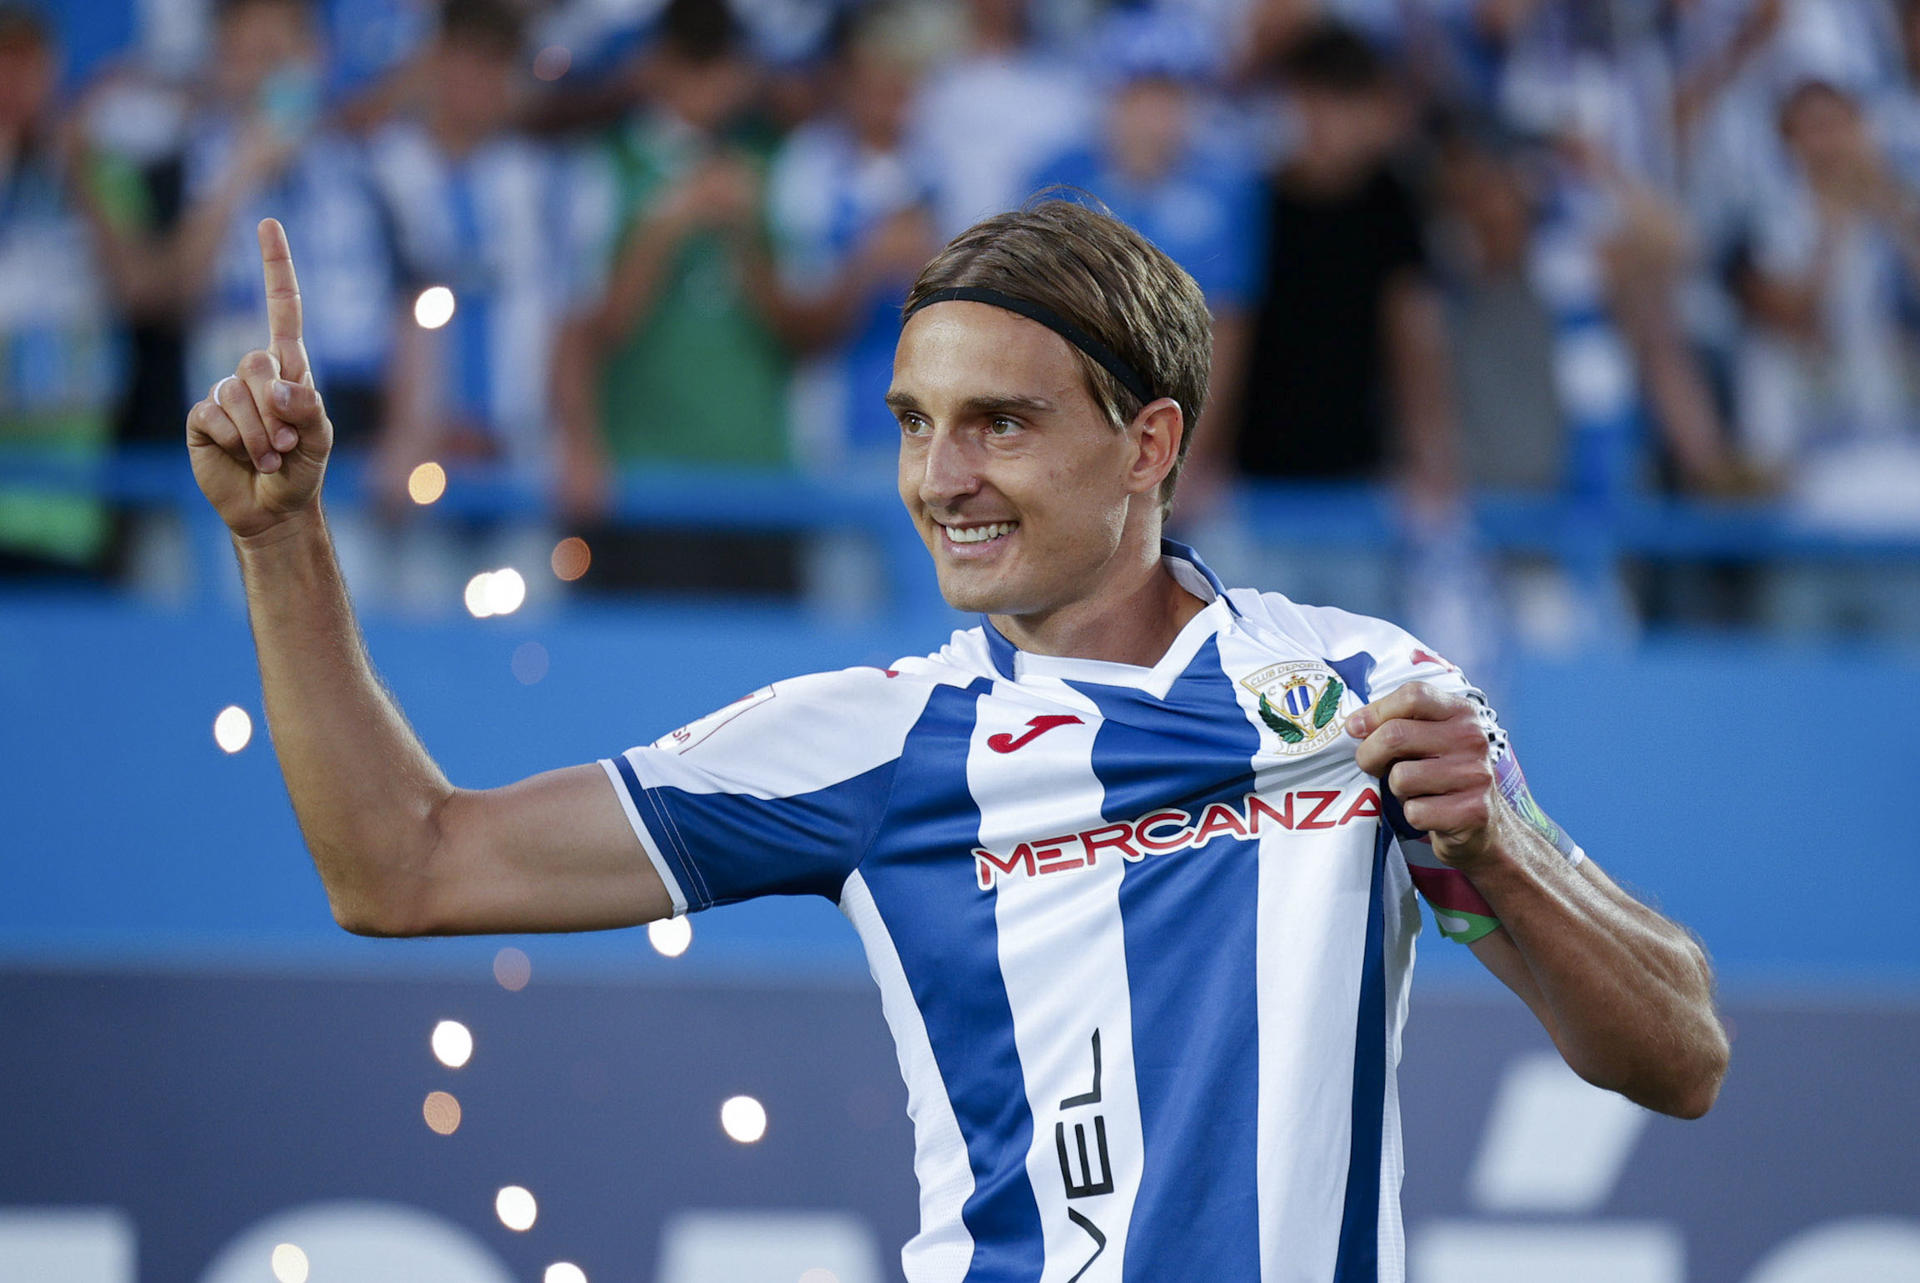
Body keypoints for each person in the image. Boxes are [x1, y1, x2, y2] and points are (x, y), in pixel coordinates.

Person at [189, 204, 1727, 1282]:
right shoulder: (869, 744)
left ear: (1150, 443)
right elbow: (405, 866)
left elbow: (1678, 1055)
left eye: (998, 422)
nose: (939, 476)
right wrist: (279, 543)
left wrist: (1498, 852)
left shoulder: (1362, 688)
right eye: (915, 420)